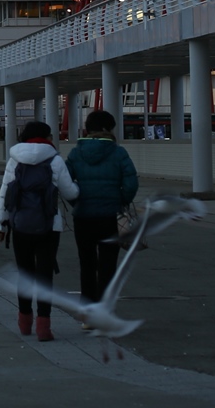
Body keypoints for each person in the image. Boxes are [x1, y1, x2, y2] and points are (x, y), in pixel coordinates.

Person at [0, 120, 79, 341]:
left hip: (20, 224)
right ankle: (43, 326)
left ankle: (24, 321)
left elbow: (5, 193)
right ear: (46, 137)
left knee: (25, 273)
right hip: (49, 226)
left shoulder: (15, 159)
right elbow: (70, 192)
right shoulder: (55, 159)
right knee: (44, 274)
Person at [64, 109, 140, 305]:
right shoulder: (118, 153)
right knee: (108, 264)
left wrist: (77, 202)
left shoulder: (75, 153)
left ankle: (88, 307)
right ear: (107, 129)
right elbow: (131, 184)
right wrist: (120, 201)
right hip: (110, 217)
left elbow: (65, 184)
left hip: (83, 216)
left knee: (87, 263)